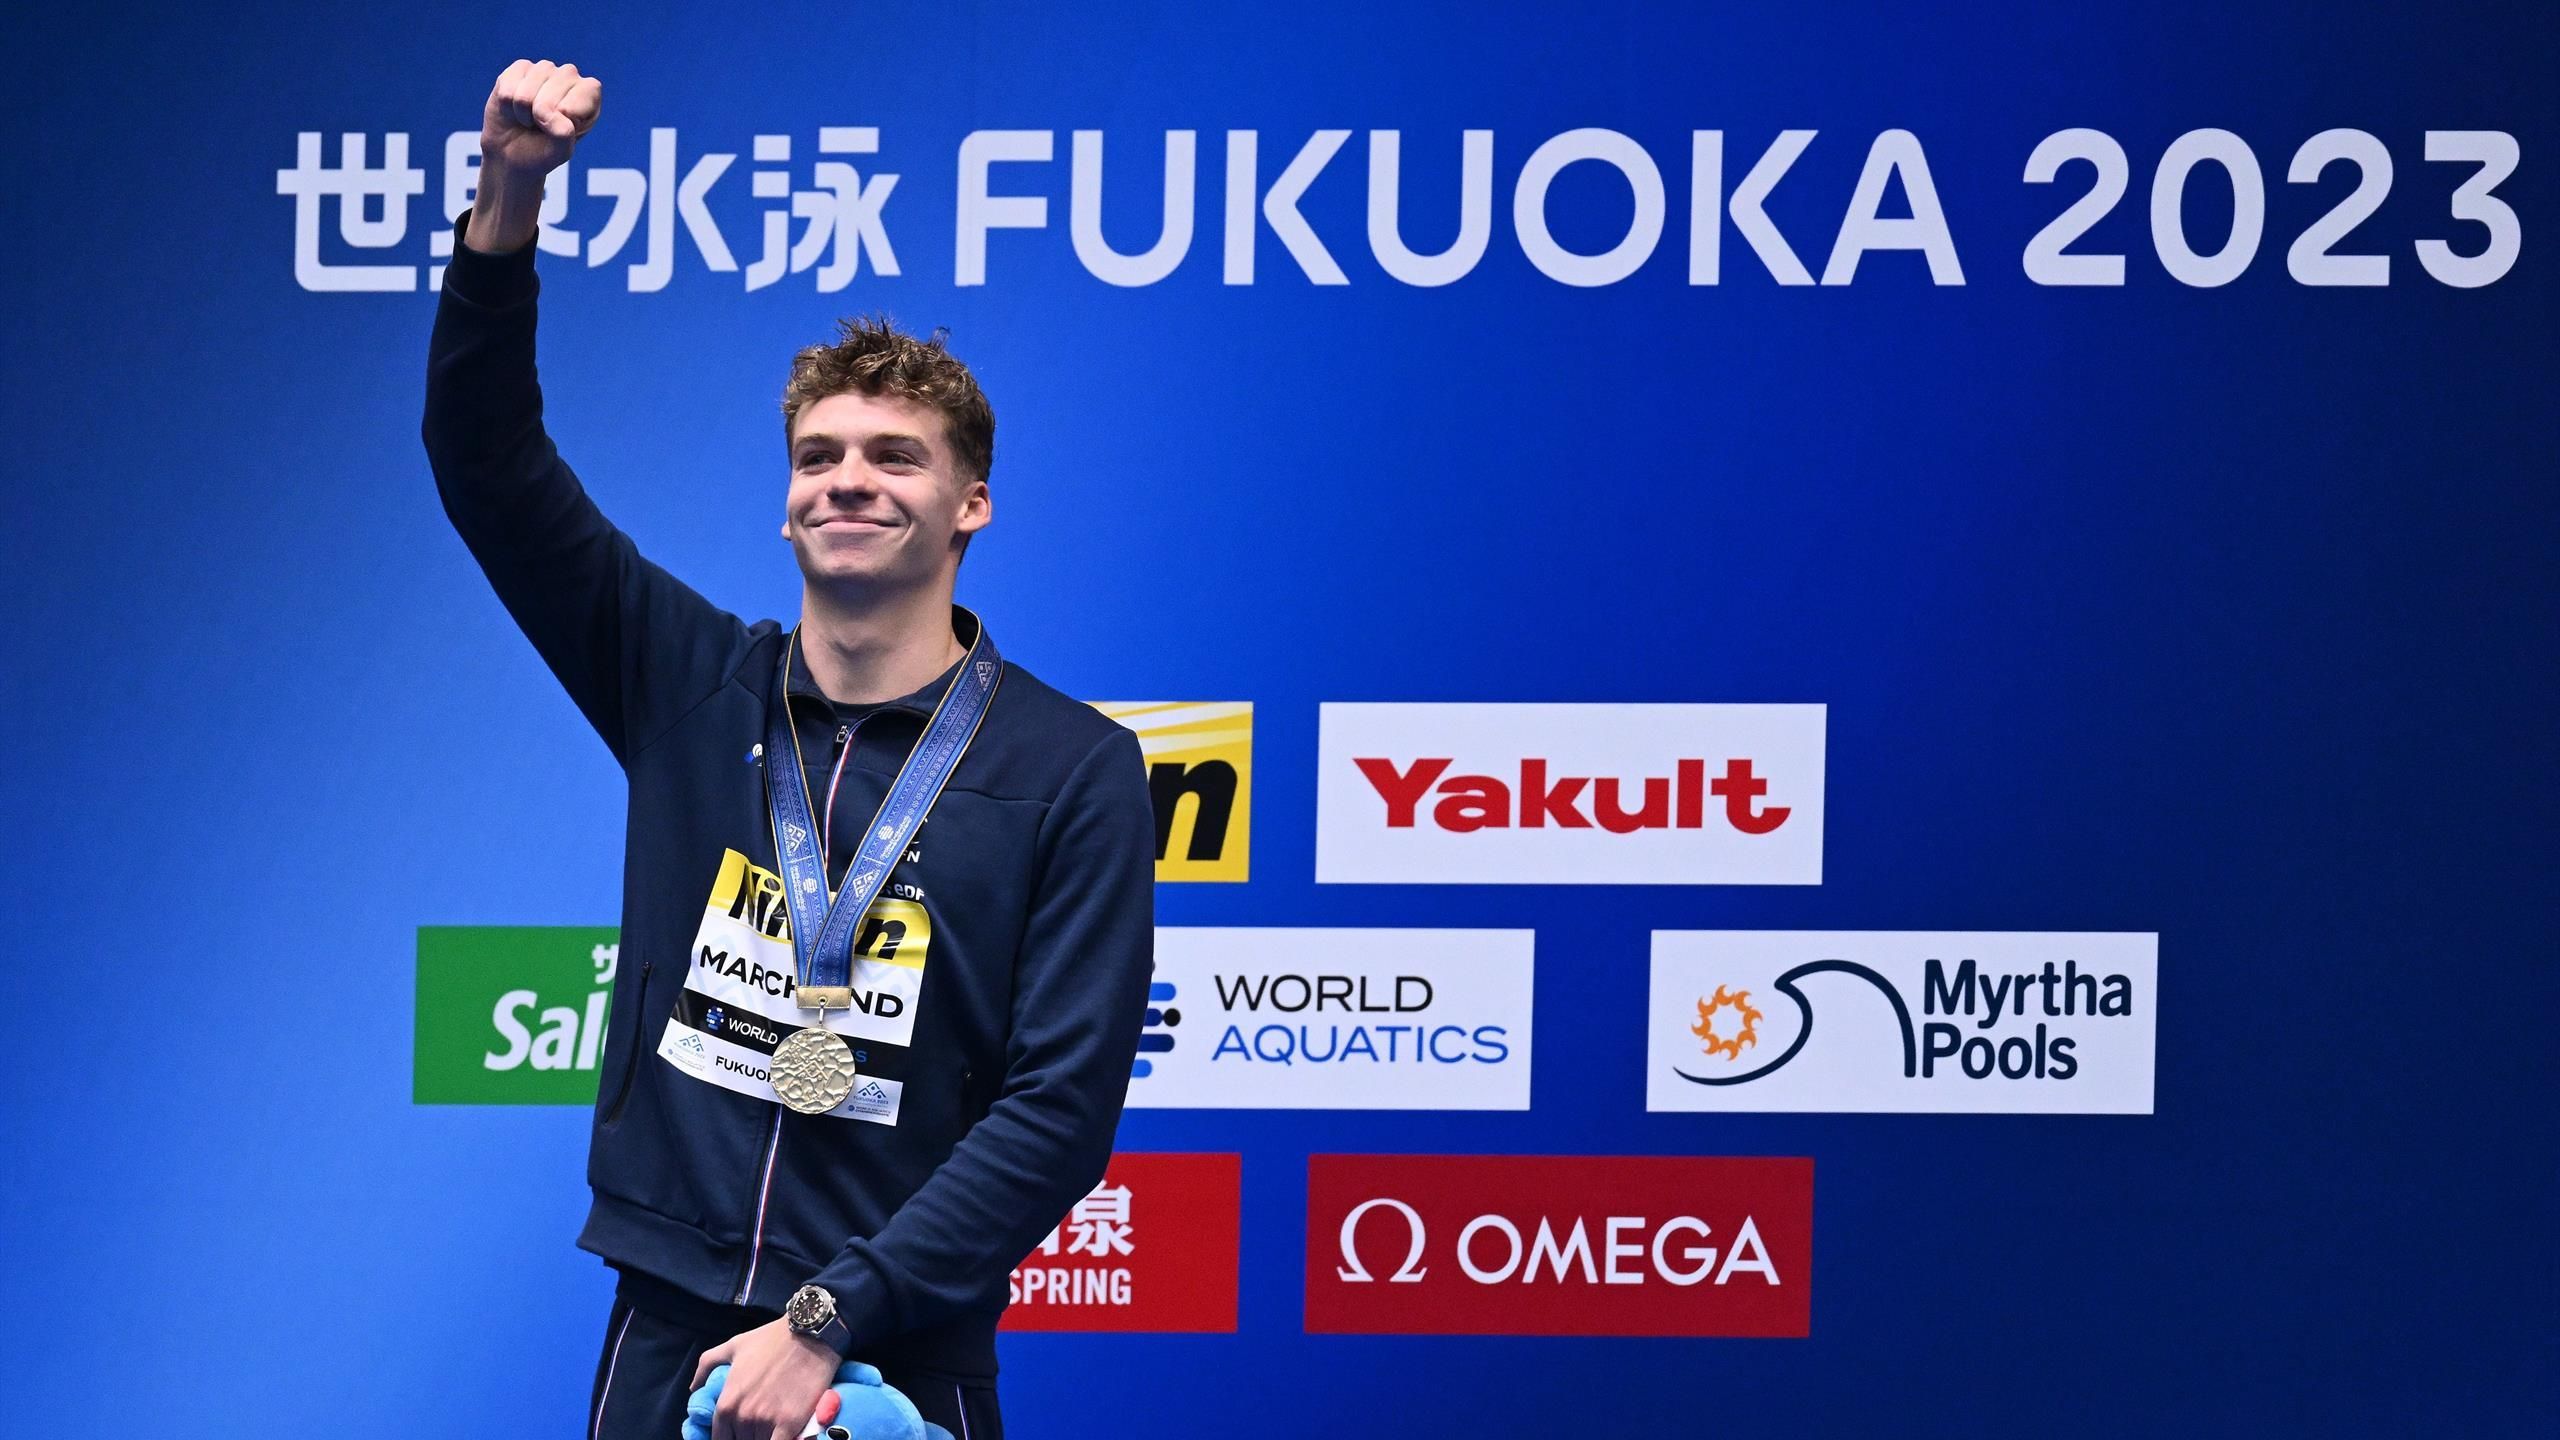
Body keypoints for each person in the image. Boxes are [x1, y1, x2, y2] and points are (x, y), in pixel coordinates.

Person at [423, 57, 1157, 1440]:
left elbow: (1059, 1111)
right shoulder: (690, 682)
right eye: (818, 457)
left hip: (899, 1351)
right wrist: (509, 198)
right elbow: (485, 461)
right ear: (785, 506)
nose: (849, 481)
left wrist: (828, 1322)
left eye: (895, 455)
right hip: (670, 1326)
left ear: (971, 505)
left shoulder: (1074, 767)